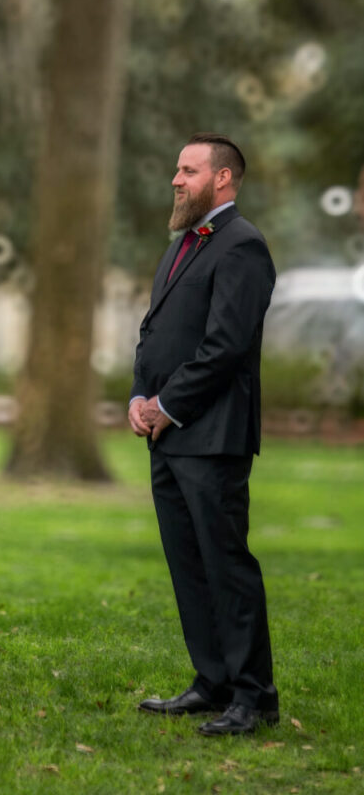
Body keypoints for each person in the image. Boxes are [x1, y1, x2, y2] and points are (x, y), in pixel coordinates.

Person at [129, 134, 278, 736]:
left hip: (212, 434)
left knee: (226, 566)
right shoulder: (183, 246)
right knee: (187, 564)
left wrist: (168, 402)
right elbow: (155, 332)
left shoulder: (242, 246)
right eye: (176, 169)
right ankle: (211, 682)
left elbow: (227, 346)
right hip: (166, 435)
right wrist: (141, 395)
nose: (175, 179)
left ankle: (254, 696)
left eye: (188, 170)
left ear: (222, 179)